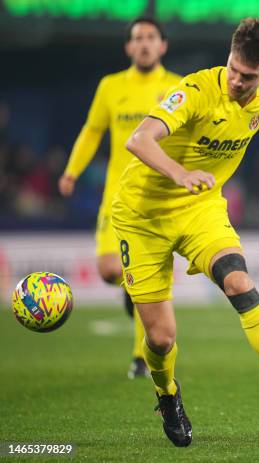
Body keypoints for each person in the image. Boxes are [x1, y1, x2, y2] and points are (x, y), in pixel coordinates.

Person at [113, 18, 259, 447]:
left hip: (200, 210)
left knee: (240, 282)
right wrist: (180, 172)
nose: (238, 82)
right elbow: (139, 139)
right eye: (235, 71)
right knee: (161, 339)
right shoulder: (196, 90)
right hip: (141, 216)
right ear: (229, 56)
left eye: (250, 77)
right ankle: (167, 394)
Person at [58, 17, 181, 378]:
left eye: (150, 38)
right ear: (128, 47)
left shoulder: (177, 88)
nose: (144, 44)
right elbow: (92, 131)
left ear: (162, 46)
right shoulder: (111, 86)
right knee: (111, 269)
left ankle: (140, 358)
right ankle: (132, 290)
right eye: (137, 38)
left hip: (157, 197)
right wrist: (71, 170)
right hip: (117, 195)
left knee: (149, 280)